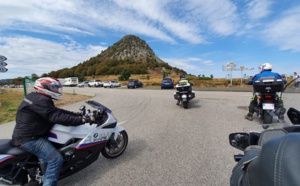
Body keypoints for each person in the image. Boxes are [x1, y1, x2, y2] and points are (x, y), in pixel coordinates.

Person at [11, 77, 94, 186]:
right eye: (54, 88)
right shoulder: (42, 100)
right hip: (30, 139)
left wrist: (77, 115)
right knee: (55, 159)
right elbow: (58, 117)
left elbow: (57, 112)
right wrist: (84, 120)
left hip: (26, 135)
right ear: (44, 88)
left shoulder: (34, 97)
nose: (57, 90)